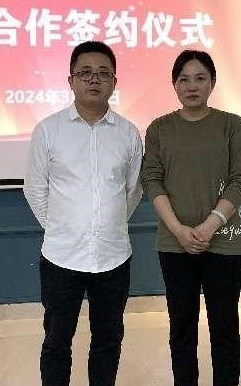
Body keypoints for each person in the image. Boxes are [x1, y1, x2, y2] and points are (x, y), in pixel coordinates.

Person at [23, 41, 144, 386]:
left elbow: (133, 191)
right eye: (86, 73)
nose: (94, 79)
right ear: (71, 80)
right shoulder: (48, 130)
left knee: (108, 339)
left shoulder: (128, 133)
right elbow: (35, 188)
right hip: (61, 256)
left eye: (103, 73)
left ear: (114, 82)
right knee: (57, 341)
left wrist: (106, 225)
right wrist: (62, 227)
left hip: (113, 256)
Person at [139, 50, 241, 386]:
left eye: (200, 78)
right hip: (174, 244)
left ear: (212, 82)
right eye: (184, 79)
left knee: (224, 328)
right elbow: (151, 179)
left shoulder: (232, 125)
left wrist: (209, 225)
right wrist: (178, 230)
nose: (192, 86)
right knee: (182, 328)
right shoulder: (160, 128)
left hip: (224, 243)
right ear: (174, 85)